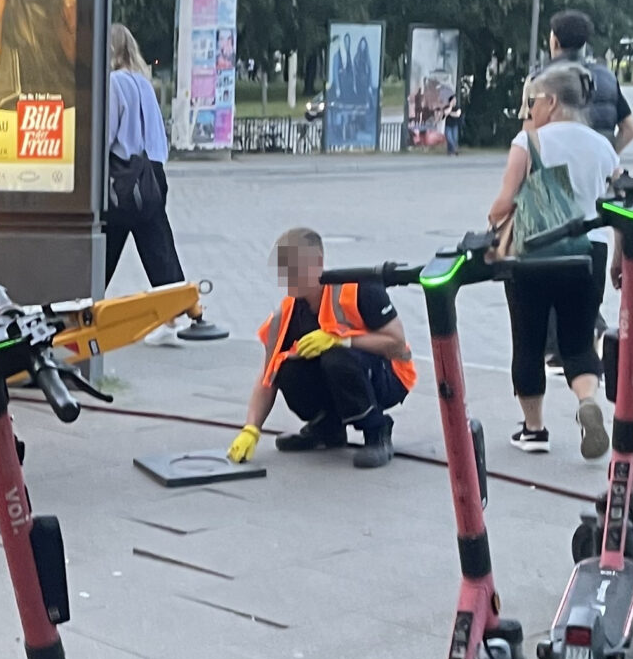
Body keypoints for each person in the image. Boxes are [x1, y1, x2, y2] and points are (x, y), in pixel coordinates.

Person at [488, 63, 623, 457]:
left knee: (528, 341)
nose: (529, 110)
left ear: (550, 101)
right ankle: (587, 402)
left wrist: (492, 224)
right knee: (579, 341)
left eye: (532, 102)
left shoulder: (528, 143)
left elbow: (504, 202)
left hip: (535, 253)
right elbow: (619, 204)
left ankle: (534, 430)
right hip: (589, 253)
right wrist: (616, 255)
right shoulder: (603, 146)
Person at [227, 226, 415, 470]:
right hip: (342, 374)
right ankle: (327, 429)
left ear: (317, 262)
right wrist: (251, 429)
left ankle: (376, 430)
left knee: (336, 358)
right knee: (288, 368)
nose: (286, 277)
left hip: (387, 377)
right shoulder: (285, 316)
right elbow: (268, 376)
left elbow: (398, 346)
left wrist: (342, 340)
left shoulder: (358, 289)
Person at [105, 23, 225, 345]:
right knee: (158, 245)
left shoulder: (114, 84)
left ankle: (82, 307)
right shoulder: (145, 84)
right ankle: (179, 313)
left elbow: (107, 134)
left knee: (104, 244)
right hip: (153, 174)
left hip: (122, 176)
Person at [546, 10, 633, 155]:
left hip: (558, 171)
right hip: (598, 174)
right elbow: (630, 129)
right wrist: (608, 157)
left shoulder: (542, 80)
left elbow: (530, 137)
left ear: (555, 42)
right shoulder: (607, 78)